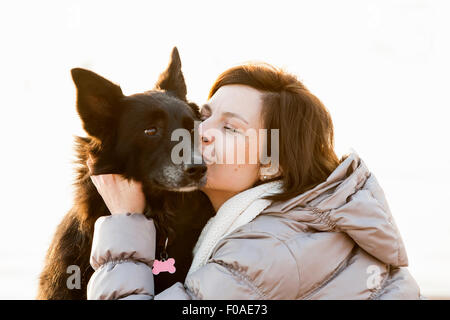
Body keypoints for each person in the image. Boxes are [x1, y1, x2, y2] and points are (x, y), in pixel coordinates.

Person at [86, 63, 422, 299]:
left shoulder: (270, 251)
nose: (199, 134)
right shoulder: (292, 221)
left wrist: (125, 222)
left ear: (273, 163)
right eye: (202, 117)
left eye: (231, 128)